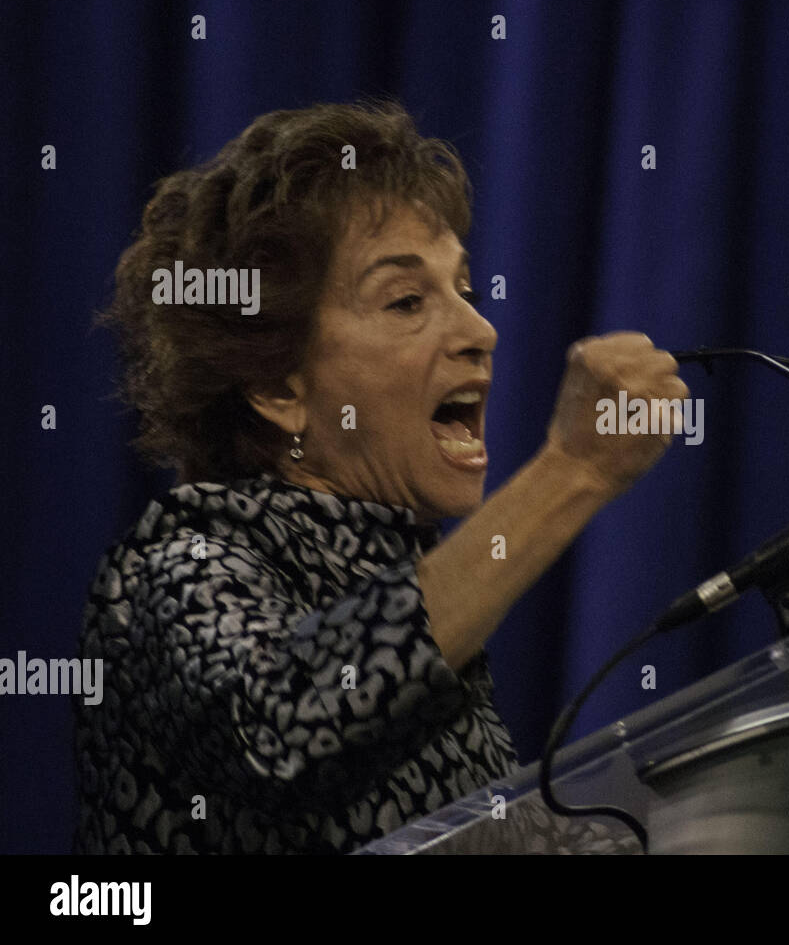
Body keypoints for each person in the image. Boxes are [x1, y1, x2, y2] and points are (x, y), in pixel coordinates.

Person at [74, 100, 688, 854]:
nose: (480, 330)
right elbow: (283, 733)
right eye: (406, 300)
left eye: (464, 288)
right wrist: (574, 471)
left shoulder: (403, 588)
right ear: (279, 387)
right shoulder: (173, 567)